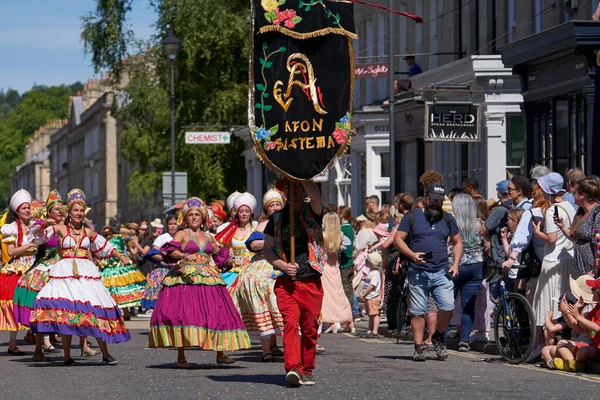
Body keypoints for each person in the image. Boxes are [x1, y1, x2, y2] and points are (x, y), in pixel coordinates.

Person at [30, 189, 131, 365]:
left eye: (81, 210)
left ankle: (105, 354)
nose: (79, 213)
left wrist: (120, 255)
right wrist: (44, 225)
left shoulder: (88, 232)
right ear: (69, 212)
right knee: (67, 310)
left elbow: (105, 246)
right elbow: (38, 237)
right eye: (75, 210)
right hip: (65, 273)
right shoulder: (60, 229)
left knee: (94, 308)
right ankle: (67, 356)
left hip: (86, 273)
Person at [148, 197, 251, 367]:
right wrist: (184, 256)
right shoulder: (182, 233)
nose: (194, 217)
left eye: (197, 214)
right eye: (191, 215)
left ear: (203, 217)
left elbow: (219, 256)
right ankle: (181, 356)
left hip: (209, 278)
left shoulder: (209, 237)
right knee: (183, 314)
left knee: (218, 312)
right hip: (185, 278)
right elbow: (171, 251)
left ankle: (221, 353)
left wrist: (231, 262)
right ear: (186, 218)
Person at [263, 180, 324, 388]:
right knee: (290, 324)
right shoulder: (277, 219)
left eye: (299, 188)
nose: (296, 191)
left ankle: (307, 369)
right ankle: (293, 368)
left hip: (311, 280)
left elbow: (315, 196)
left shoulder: (314, 211)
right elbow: (267, 250)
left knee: (309, 328)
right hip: (286, 283)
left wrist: (304, 175)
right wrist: (282, 265)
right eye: (291, 188)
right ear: (285, 191)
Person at [394, 183, 463, 362]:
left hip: (441, 271)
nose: (436, 203)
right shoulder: (412, 217)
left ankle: (439, 336)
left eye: (439, 201)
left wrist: (455, 263)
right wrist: (412, 254)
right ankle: (418, 347)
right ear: (426, 197)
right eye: (433, 199)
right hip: (418, 272)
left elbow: (457, 242)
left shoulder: (448, 219)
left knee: (447, 306)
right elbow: (398, 240)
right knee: (417, 311)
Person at [12, 190, 64, 360]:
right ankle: (42, 345)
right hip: (46, 269)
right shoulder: (44, 227)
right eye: (56, 209)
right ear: (48, 212)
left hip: (65, 269)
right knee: (43, 307)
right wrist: (44, 225)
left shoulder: (69, 226)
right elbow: (32, 234)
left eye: (61, 208)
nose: (59, 211)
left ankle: (82, 345)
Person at [236, 189, 285, 362]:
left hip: (283, 264)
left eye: (278, 204)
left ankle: (282, 345)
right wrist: (272, 242)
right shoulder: (263, 225)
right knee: (262, 294)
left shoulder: (289, 222)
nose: (275, 208)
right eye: (271, 205)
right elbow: (253, 243)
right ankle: (266, 349)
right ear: (267, 209)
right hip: (263, 264)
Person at [531, 173, 576, 328]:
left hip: (553, 260)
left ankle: (545, 340)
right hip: (568, 259)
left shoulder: (552, 211)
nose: (541, 191)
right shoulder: (570, 206)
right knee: (562, 302)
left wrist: (537, 232)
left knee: (548, 304)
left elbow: (551, 238)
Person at [0, 190, 38, 355]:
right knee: (14, 304)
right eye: (24, 208)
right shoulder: (11, 228)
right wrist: (28, 247)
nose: (28, 210)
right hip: (19, 268)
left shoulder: (35, 226)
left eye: (28, 207)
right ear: (17, 211)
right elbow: (12, 251)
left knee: (37, 304)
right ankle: (12, 344)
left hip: (35, 267)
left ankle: (38, 341)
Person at [450, 194, 485, 352]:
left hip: (455, 265)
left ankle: (440, 335)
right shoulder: (479, 224)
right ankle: (464, 340)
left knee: (446, 302)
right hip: (475, 266)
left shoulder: (452, 223)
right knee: (467, 305)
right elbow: (488, 245)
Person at [99, 218, 147, 318]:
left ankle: (113, 312)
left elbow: (113, 253)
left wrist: (104, 261)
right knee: (122, 289)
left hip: (114, 266)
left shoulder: (112, 240)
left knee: (113, 290)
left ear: (111, 231)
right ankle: (125, 312)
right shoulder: (121, 239)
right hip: (122, 265)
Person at [554, 277, 600, 372]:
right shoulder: (596, 308)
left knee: (583, 350)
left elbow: (597, 328)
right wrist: (576, 310)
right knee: (561, 343)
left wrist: (577, 315)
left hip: (595, 347)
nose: (591, 291)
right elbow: (580, 325)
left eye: (593, 289)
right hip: (594, 346)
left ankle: (573, 363)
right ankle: (573, 364)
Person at [558, 178, 600, 279]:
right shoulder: (581, 213)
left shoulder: (597, 214)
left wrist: (594, 270)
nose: (572, 195)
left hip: (592, 270)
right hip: (579, 267)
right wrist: (562, 226)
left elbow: (599, 242)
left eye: (574, 193)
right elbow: (575, 238)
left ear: (582, 195)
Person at [215, 192, 257, 293]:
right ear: (236, 213)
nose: (244, 214)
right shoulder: (229, 230)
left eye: (247, 211)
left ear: (251, 213)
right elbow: (223, 252)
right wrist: (231, 261)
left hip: (253, 269)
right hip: (235, 270)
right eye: (241, 211)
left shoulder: (256, 227)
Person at [140, 214, 179, 313]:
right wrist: (167, 259)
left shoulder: (183, 236)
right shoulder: (162, 238)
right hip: (163, 269)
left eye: (175, 223)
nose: (173, 226)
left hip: (179, 269)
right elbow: (152, 254)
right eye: (170, 224)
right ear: (167, 225)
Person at [321, 212, 353, 334]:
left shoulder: (323, 235)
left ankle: (332, 323)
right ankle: (350, 321)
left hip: (325, 267)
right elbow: (348, 244)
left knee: (327, 296)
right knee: (339, 294)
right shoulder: (341, 234)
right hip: (335, 266)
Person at [337, 206, 356, 320]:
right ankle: (351, 315)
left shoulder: (342, 229)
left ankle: (348, 317)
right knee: (350, 289)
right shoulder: (350, 228)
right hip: (350, 262)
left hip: (344, 263)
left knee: (345, 291)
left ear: (340, 214)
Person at [358, 252, 382, 338]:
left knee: (375, 314)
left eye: (368, 260)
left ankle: (374, 331)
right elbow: (367, 285)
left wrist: (364, 294)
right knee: (370, 314)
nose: (366, 261)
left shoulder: (375, 273)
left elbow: (372, 286)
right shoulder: (371, 272)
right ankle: (370, 329)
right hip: (369, 296)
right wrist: (363, 292)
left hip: (373, 297)